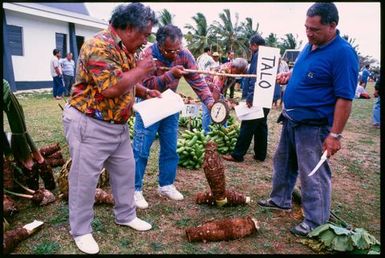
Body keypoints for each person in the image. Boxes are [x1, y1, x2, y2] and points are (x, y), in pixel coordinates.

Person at [62, 3, 160, 254]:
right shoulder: (99, 46)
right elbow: (111, 87)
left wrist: (145, 90)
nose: (145, 40)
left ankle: (126, 215)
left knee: (126, 173)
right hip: (90, 123)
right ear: (128, 28)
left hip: (117, 125)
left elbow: (126, 81)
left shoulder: (125, 48)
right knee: (85, 180)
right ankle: (81, 230)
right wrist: (141, 70)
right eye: (144, 34)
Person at [257, 2, 359, 236]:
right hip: (291, 119)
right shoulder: (310, 45)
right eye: (306, 28)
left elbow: (345, 98)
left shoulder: (343, 54)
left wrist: (335, 135)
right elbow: (303, 71)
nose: (309, 33)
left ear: (332, 26)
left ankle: (316, 221)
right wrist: (288, 75)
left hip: (314, 126)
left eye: (315, 29)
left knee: (312, 173)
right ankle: (280, 199)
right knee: (283, 163)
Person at [133, 25, 215, 209]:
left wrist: (209, 101)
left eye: (178, 48)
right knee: (141, 148)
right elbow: (144, 84)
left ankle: (166, 185)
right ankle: (134, 189)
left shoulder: (184, 55)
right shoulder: (147, 55)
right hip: (149, 103)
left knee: (170, 147)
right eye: (170, 51)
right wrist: (170, 74)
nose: (175, 53)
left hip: (170, 104)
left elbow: (197, 80)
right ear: (159, 45)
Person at [222, 33, 270, 162]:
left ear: (254, 45)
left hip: (257, 96)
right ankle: (260, 154)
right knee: (261, 126)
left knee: (247, 124)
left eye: (250, 46)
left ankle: (237, 154)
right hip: (266, 96)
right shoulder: (268, 56)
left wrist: (251, 97)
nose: (250, 49)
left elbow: (255, 77)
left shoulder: (258, 56)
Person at [201, 58, 248, 134]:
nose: (238, 74)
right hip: (207, 89)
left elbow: (221, 88)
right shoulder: (224, 72)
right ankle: (206, 133)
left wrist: (222, 100)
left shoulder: (234, 70)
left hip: (218, 90)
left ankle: (224, 131)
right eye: (238, 72)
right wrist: (214, 104)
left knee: (224, 109)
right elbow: (216, 89)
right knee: (208, 111)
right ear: (233, 67)